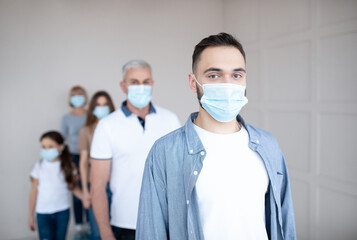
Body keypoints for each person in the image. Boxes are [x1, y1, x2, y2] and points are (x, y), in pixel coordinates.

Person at [136, 33, 297, 240]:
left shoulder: (268, 145)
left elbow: (285, 225)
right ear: (193, 83)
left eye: (236, 75)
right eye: (214, 75)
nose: (227, 84)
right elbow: (151, 232)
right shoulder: (165, 152)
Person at [90, 59, 181, 240]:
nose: (141, 87)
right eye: (134, 82)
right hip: (125, 224)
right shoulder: (107, 126)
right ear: (123, 86)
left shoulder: (170, 120)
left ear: (152, 84)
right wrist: (105, 232)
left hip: (166, 222)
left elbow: (179, 174)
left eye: (146, 82)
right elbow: (98, 186)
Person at [28, 131, 82, 240]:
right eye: (43, 147)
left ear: (61, 147)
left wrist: (85, 198)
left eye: (50, 146)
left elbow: (73, 188)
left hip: (62, 212)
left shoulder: (68, 166)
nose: (46, 150)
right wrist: (30, 215)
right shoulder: (39, 167)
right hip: (43, 213)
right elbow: (34, 192)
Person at [78, 91, 115, 240]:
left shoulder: (117, 127)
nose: (102, 108)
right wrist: (86, 192)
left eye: (105, 104)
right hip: (96, 187)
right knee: (98, 232)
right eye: (98, 105)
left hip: (117, 186)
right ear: (92, 108)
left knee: (120, 230)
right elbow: (82, 162)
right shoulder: (86, 131)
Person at [60, 85, 89, 238]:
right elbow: (62, 141)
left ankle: (92, 222)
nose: (77, 97)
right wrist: (68, 162)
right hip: (73, 157)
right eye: (74, 95)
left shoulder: (90, 115)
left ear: (85, 96)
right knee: (77, 190)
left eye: (80, 94)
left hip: (90, 156)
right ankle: (79, 225)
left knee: (90, 188)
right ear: (70, 98)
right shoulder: (66, 118)